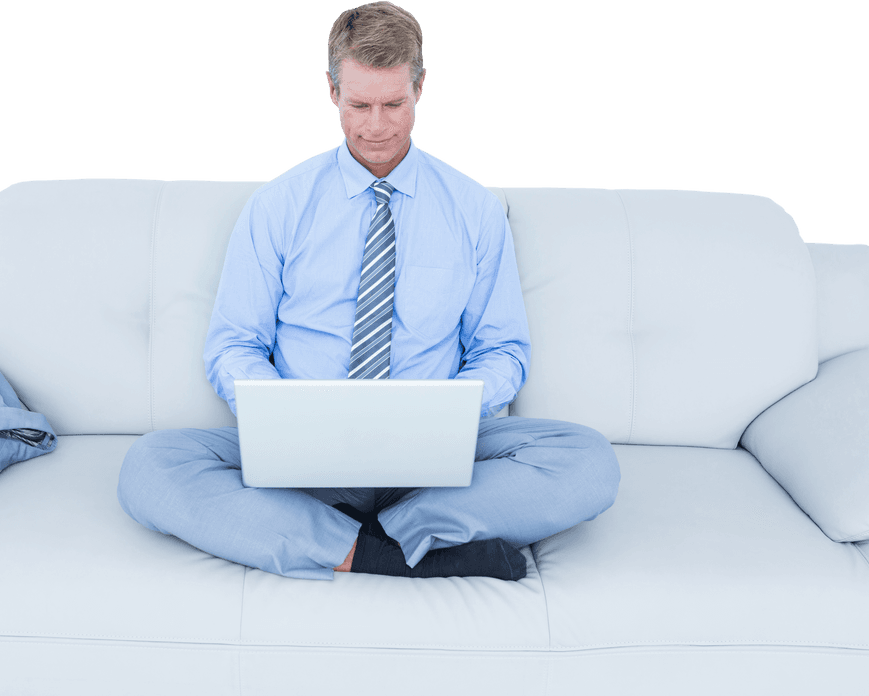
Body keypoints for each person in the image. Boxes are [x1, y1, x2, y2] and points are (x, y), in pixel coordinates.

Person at [117, 1, 619, 582]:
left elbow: (502, 350)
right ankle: (397, 554)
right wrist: (281, 414)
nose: (376, 125)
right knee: (150, 466)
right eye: (359, 105)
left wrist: (449, 413)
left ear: (420, 87)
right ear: (331, 92)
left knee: (588, 462)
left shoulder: (473, 210)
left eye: (394, 104)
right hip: (305, 457)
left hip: (434, 459)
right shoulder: (278, 206)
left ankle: (350, 539)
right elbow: (234, 344)